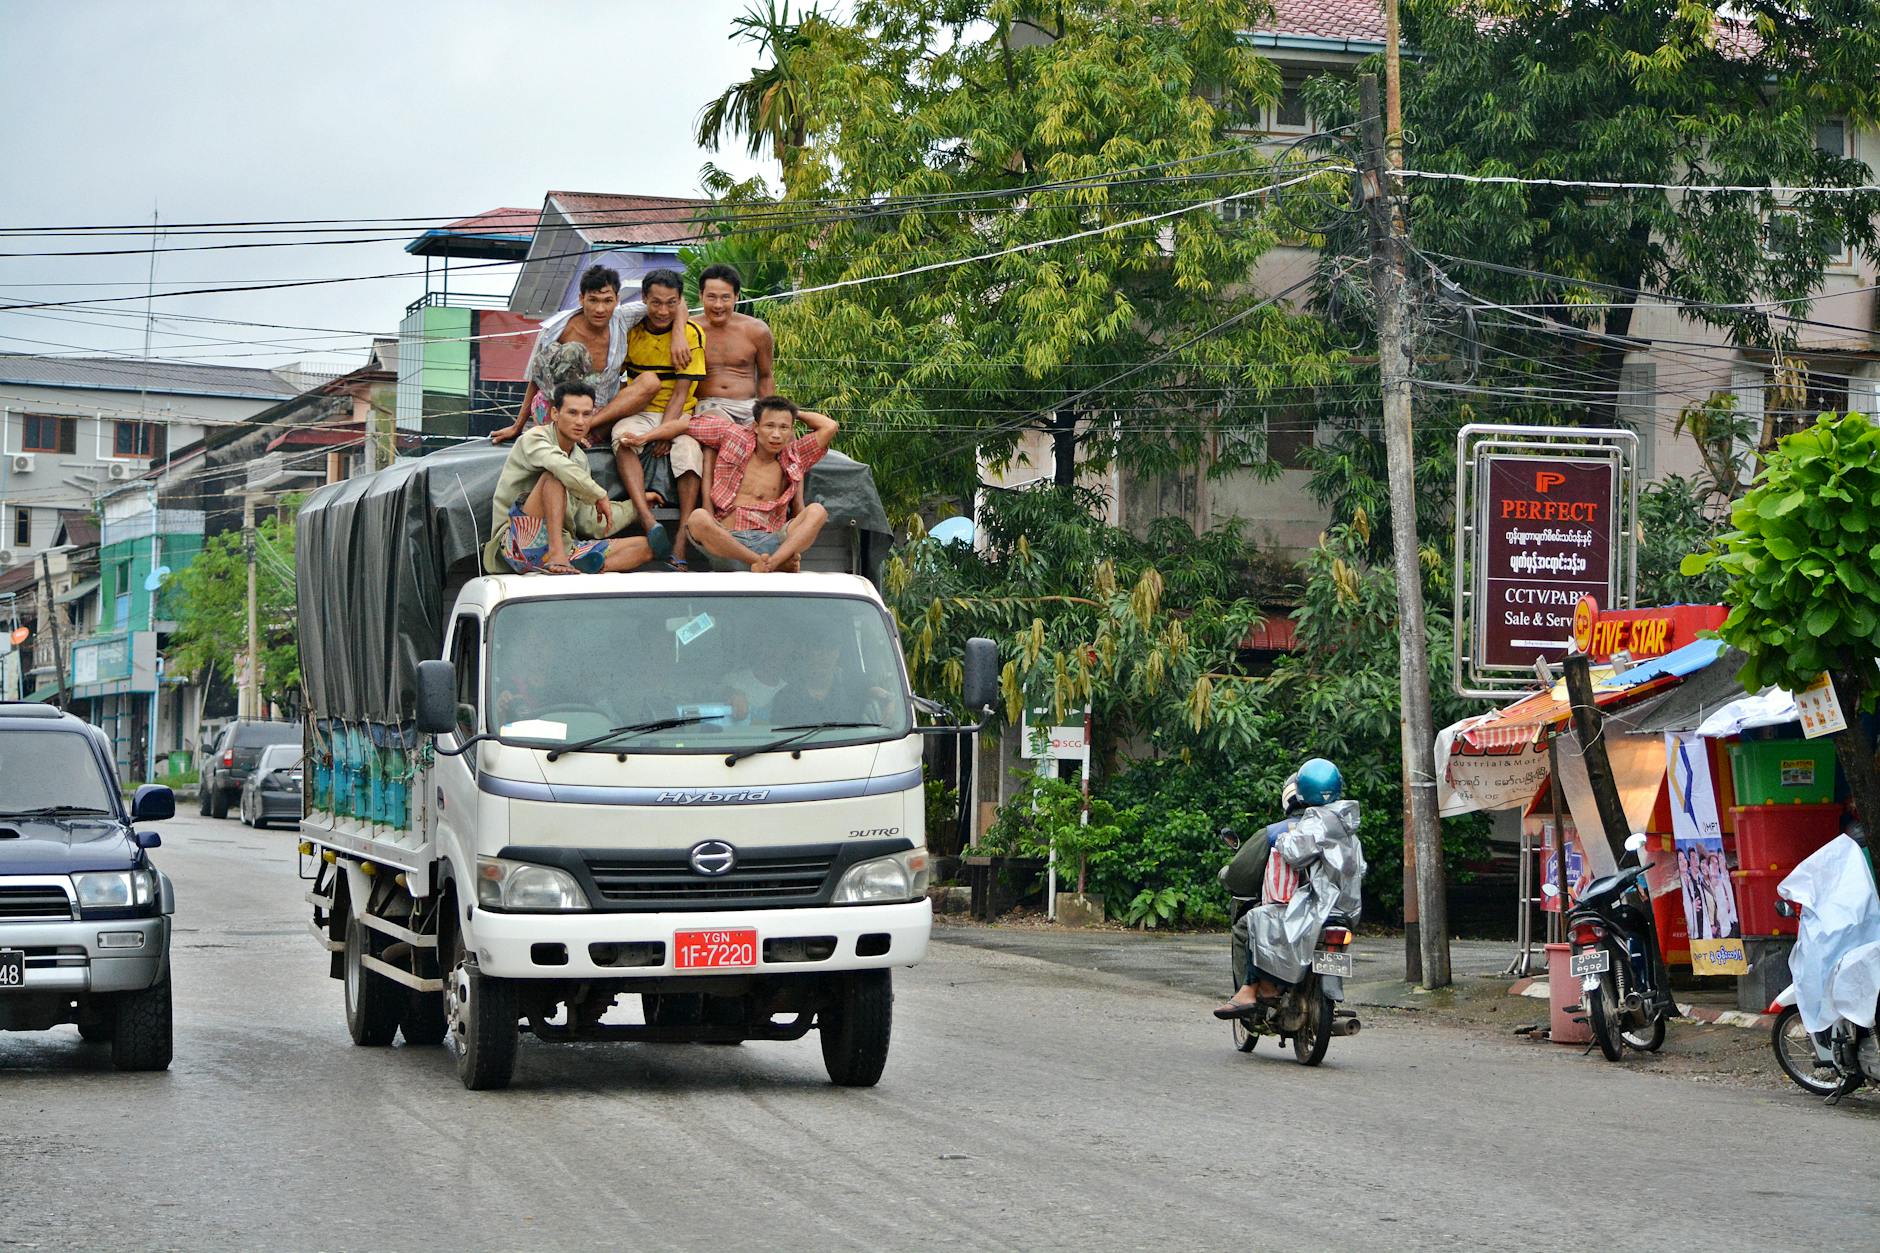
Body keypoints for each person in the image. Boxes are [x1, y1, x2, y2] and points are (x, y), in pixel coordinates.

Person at [1214, 758, 1366, 1017]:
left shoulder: (1296, 827)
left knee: (1254, 920)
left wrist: (1282, 841)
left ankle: (1252, 990)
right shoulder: (1347, 826)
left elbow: (1282, 858)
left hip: (1311, 908)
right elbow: (1360, 869)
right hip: (1346, 910)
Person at [487, 264, 694, 447]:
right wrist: (517, 425)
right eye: (593, 300)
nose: (600, 309)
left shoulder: (622, 318)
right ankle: (565, 432)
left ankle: (586, 429)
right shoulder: (557, 329)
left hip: (600, 414)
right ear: (581, 299)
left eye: (607, 300)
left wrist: (678, 336)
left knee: (649, 381)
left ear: (617, 300)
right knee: (573, 351)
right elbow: (536, 377)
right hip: (559, 409)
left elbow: (677, 303)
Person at [481, 382, 654, 576]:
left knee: (645, 547)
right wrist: (598, 494)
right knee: (554, 478)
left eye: (586, 414)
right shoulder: (534, 438)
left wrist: (637, 505)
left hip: (566, 548)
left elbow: (588, 521)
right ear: (555, 414)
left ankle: (585, 565)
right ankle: (557, 557)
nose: (580, 421)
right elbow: (558, 465)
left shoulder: (579, 458)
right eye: (572, 413)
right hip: (518, 543)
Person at [612, 269, 709, 568]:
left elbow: (682, 391)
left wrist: (666, 431)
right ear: (644, 299)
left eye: (671, 303)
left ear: (680, 301)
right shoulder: (632, 330)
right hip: (639, 411)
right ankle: (646, 517)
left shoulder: (691, 333)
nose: (663, 310)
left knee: (690, 453)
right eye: (655, 302)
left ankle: (682, 533)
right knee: (622, 438)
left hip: (678, 412)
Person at [684, 396, 837, 572]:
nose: (776, 435)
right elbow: (690, 425)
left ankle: (772, 562)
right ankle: (763, 563)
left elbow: (829, 426)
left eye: (784, 427)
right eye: (770, 425)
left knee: (817, 511)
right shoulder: (732, 436)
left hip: (772, 542)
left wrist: (793, 412)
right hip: (728, 545)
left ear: (791, 430)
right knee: (698, 518)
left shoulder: (795, 455)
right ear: (756, 427)